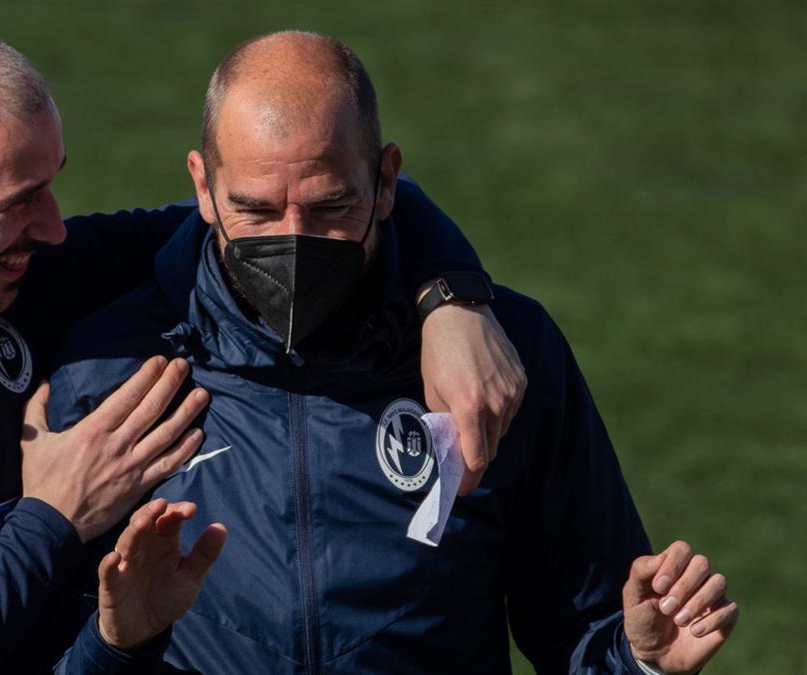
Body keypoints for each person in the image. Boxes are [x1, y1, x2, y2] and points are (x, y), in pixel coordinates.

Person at [0, 16, 524, 674]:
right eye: (19, 198)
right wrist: (51, 519)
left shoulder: (23, 275)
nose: (56, 226)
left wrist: (451, 298)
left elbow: (289, 202)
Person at [46, 31, 739, 674]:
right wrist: (115, 645)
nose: (294, 243)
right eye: (256, 209)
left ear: (386, 182)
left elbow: (582, 623)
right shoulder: (103, 373)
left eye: (328, 207)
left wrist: (640, 659)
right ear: (201, 185)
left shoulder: (506, 359)